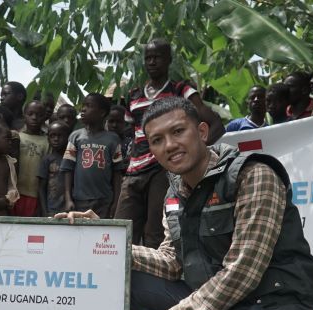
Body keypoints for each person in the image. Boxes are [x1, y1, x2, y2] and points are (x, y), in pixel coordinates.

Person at [58, 97, 313, 310]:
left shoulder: (253, 175)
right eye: (157, 140)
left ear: (201, 132)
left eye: (178, 132)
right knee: (130, 279)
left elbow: (241, 273)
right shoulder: (175, 193)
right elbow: (171, 262)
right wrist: (106, 240)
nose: (169, 145)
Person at [115, 38, 224, 248]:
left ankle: (155, 269)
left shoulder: (181, 90)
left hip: (163, 170)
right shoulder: (133, 95)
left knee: (155, 232)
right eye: (148, 58)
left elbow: (216, 124)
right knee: (121, 230)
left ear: (168, 60)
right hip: (134, 171)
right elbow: (130, 133)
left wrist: (192, 154)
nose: (152, 62)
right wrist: (129, 159)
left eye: (157, 57)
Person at [61, 93, 123, 218]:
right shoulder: (76, 137)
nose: (83, 109)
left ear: (102, 113)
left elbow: (117, 173)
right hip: (80, 199)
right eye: (83, 106)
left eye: (89, 106)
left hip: (105, 200)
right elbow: (68, 169)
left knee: (101, 229)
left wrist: (116, 202)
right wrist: (68, 199)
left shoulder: (113, 139)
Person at [12, 100, 48, 216]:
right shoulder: (17, 137)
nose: (34, 118)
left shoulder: (47, 141)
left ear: (45, 117)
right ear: (24, 115)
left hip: (35, 195)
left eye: (39, 115)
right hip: (15, 193)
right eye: (30, 114)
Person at [37, 121, 70, 217]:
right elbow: (41, 188)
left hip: (70, 209)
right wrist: (44, 211)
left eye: (60, 136)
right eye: (52, 136)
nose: (56, 139)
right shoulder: (47, 160)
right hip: (52, 209)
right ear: (48, 138)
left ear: (68, 137)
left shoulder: (72, 159)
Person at [106, 104, 132, 171]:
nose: (114, 125)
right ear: (106, 122)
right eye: (111, 121)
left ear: (125, 123)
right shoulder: (101, 143)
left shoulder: (130, 144)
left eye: (119, 122)